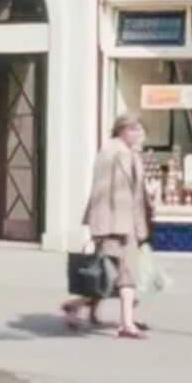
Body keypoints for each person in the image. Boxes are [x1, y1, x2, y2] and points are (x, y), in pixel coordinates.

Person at [62, 114, 152, 339]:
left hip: (119, 223)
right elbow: (108, 193)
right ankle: (126, 324)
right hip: (117, 224)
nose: (139, 134)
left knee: (110, 274)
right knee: (122, 274)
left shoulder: (120, 152)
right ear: (123, 130)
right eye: (135, 130)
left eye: (140, 130)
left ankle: (78, 306)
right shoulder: (116, 153)